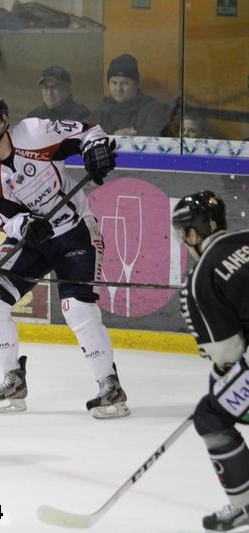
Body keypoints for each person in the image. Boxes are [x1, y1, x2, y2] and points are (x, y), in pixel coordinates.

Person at [0, 95, 129, 419]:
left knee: (77, 307)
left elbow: (88, 132)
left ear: (5, 122)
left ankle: (109, 384)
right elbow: (5, 221)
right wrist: (25, 225)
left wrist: (95, 148)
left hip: (74, 230)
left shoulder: (35, 134)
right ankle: (13, 380)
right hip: (34, 241)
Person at [171, 191, 249, 531]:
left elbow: (227, 355)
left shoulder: (201, 276)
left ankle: (245, 504)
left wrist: (220, 385)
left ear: (192, 233)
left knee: (211, 414)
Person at [90, 53, 169, 136]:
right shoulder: (102, 109)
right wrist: (113, 135)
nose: (118, 89)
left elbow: (154, 137)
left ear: (137, 84)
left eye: (125, 83)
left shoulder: (153, 110)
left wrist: (126, 138)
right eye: (114, 83)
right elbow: (86, 135)